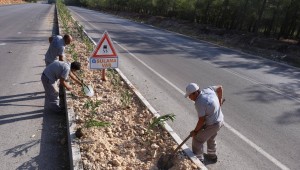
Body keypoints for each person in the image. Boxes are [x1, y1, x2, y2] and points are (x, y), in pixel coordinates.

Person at [185, 83, 224, 163]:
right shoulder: (208, 90)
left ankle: (199, 161)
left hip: (213, 124)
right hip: (220, 120)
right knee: (211, 137)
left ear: (195, 93)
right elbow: (220, 88)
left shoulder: (199, 103)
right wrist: (219, 101)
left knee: (197, 140)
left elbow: (201, 120)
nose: (189, 97)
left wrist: (195, 132)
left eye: (190, 95)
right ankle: (212, 156)